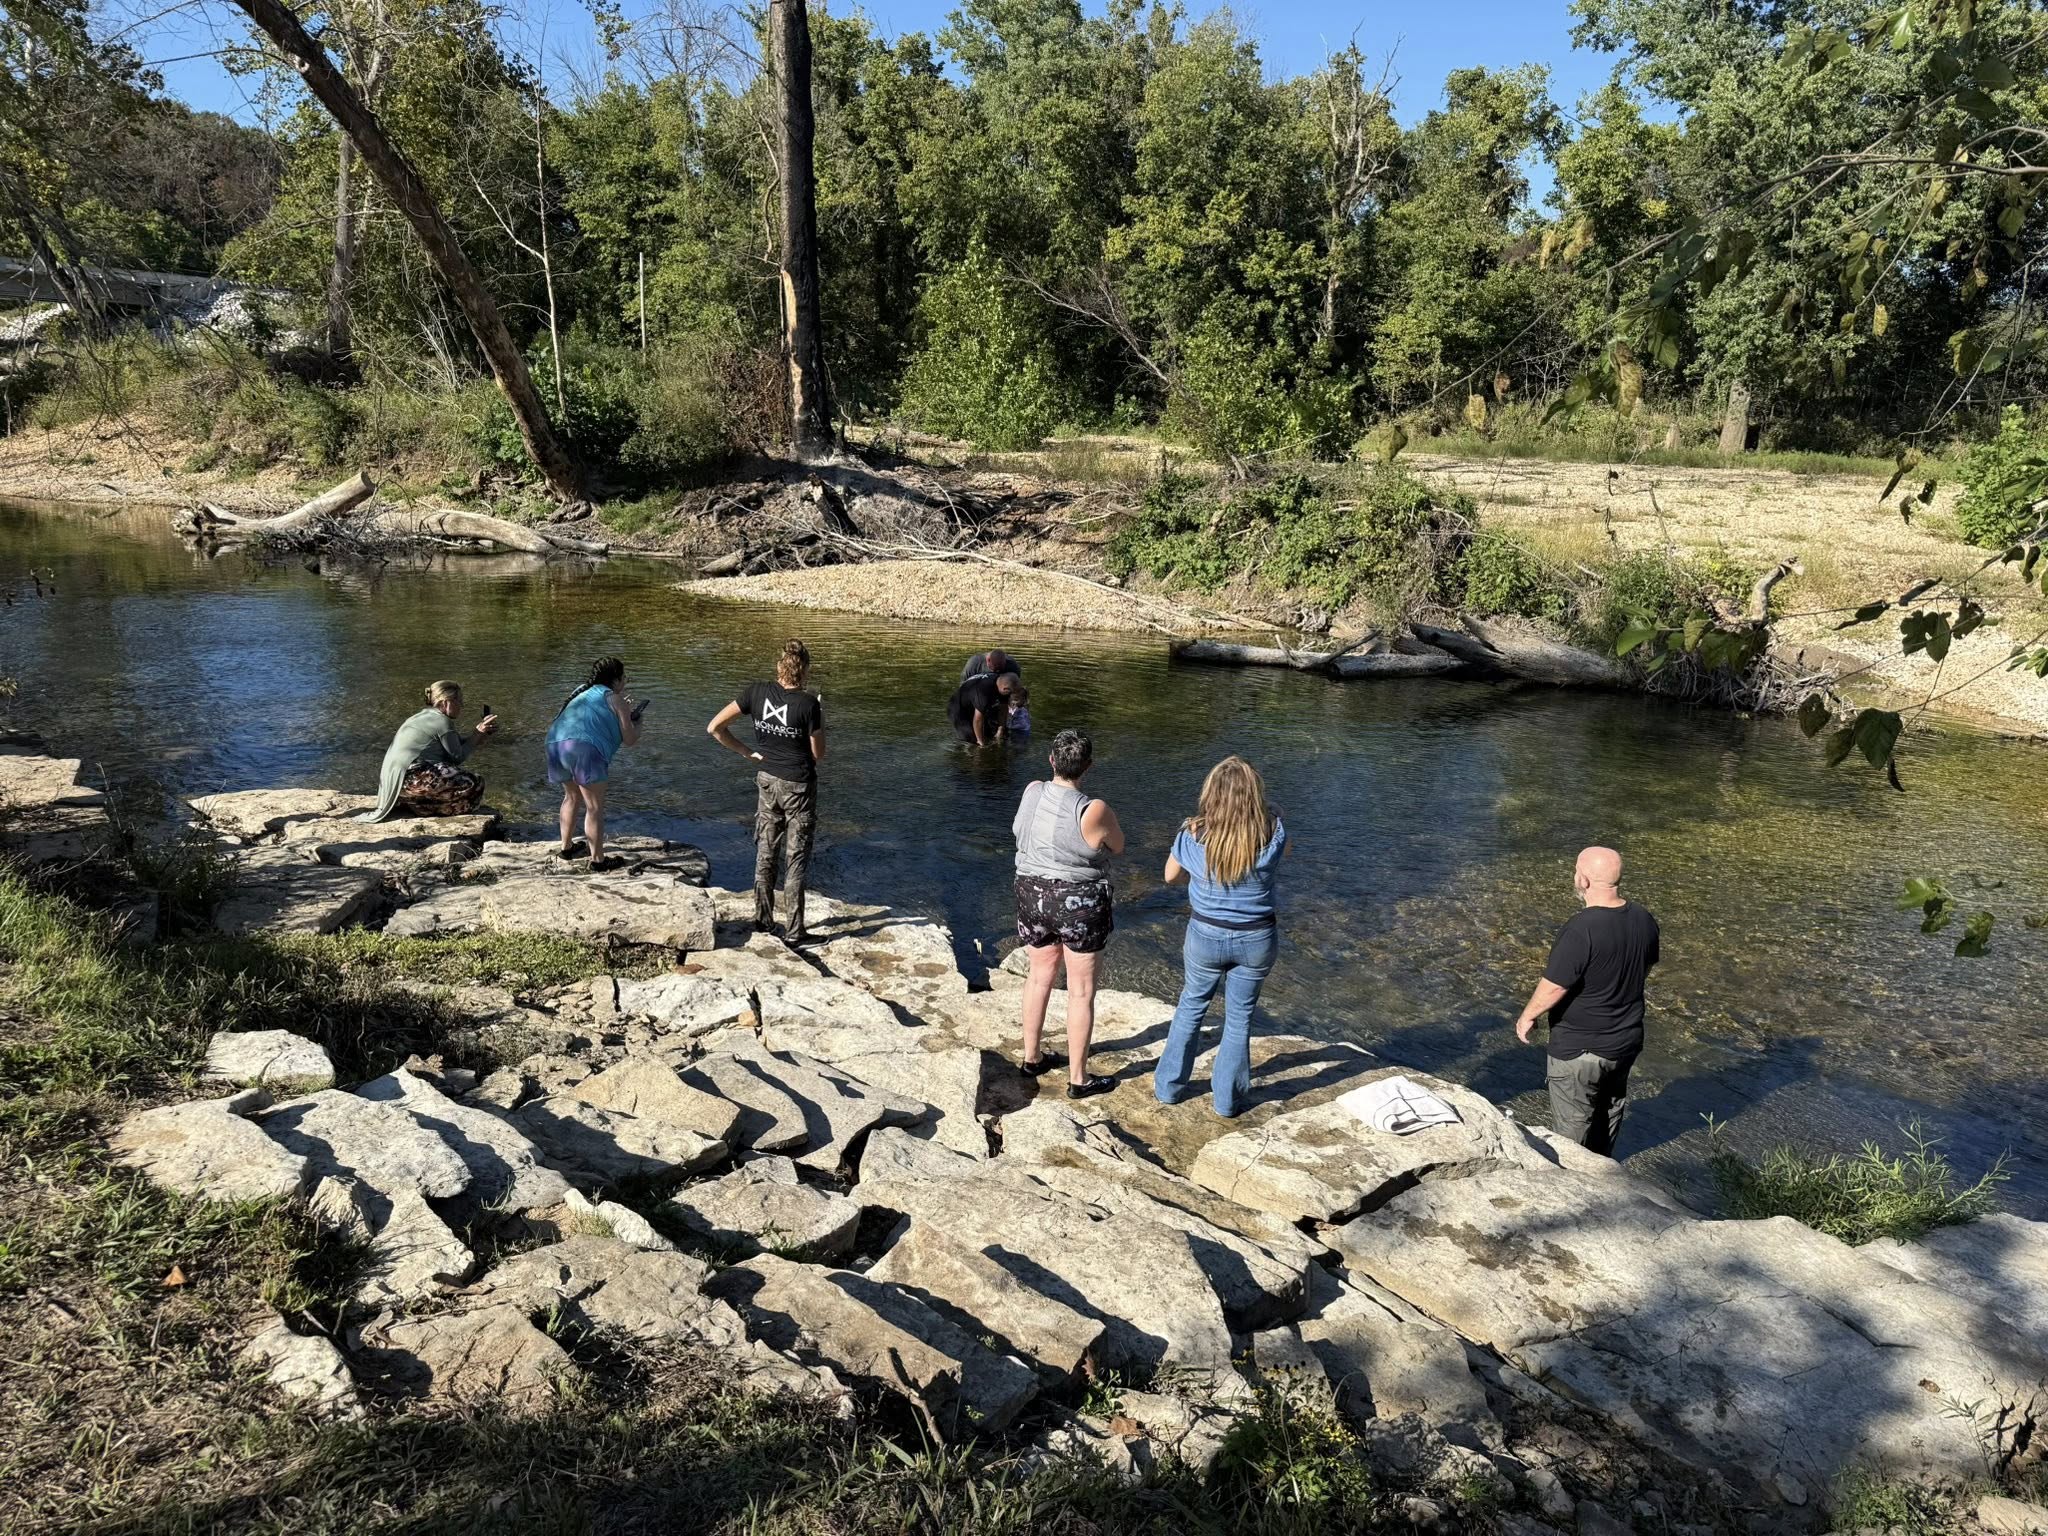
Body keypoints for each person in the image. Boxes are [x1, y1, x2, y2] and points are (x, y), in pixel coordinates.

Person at [1154, 756, 1290, 1118]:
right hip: (1257, 937)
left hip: (1205, 935)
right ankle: (1227, 1101)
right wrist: (1273, 811)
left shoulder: (1193, 833)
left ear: (1210, 794)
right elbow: (1285, 853)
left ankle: (1169, 1088)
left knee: (1192, 1005)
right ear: (1254, 796)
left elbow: (1169, 876)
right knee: (1240, 1017)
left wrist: (1198, 877)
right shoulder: (1272, 831)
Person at [1513, 846, 1660, 1157]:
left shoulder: (1581, 928)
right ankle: (1606, 1175)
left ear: (1584, 880)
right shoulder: (1644, 919)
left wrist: (1528, 1015)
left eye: (1576, 872)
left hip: (1580, 1048)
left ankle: (1577, 1188)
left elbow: (1555, 986)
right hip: (1625, 1041)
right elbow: (1644, 970)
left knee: (1573, 1130)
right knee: (1609, 1112)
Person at [1012, 728, 1124, 1099]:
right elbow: (1118, 846)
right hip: (1079, 902)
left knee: (1039, 976)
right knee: (1081, 991)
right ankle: (1078, 1079)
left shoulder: (1031, 791)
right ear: (1088, 767)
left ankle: (1031, 1058)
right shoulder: (1094, 809)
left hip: (1032, 892)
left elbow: (1018, 831)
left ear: (1051, 761)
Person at [708, 639, 825, 943]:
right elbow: (818, 753)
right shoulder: (809, 704)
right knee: (796, 857)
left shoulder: (755, 693)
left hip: (767, 780)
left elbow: (715, 728)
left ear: (779, 668)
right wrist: (817, 719)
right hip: (799, 785)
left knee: (765, 851)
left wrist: (747, 752)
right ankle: (796, 931)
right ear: (805, 672)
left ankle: (763, 922)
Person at [545, 656, 641, 870]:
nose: (625, 682)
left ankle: (567, 848)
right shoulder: (616, 699)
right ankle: (598, 861)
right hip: (584, 749)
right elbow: (630, 739)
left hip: (555, 744)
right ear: (616, 679)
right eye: (625, 678)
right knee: (594, 807)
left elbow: (590, 716)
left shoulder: (580, 690)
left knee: (571, 797)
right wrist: (638, 721)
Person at [367, 681, 497, 822]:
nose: (462, 706)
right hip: (413, 779)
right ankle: (436, 809)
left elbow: (458, 745)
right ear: (446, 702)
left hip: (396, 784)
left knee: (450, 774)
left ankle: (416, 804)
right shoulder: (442, 722)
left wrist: (479, 734)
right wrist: (477, 735)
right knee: (475, 782)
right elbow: (457, 757)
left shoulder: (422, 717)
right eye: (459, 701)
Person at [951, 668, 1020, 745]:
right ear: (1005, 689)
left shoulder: (1002, 682)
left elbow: (1003, 709)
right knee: (971, 740)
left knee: (991, 733)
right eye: (1011, 693)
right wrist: (981, 742)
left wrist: (1000, 729)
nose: (1011, 696)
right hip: (959, 708)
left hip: (975, 702)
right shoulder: (983, 692)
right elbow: (978, 720)